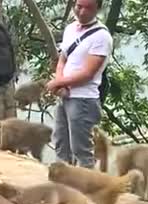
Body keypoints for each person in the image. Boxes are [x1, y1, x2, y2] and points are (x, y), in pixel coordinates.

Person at [47, 0, 112, 168]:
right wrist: (60, 81)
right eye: (79, 7)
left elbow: (88, 74)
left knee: (81, 151)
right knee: (61, 144)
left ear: (98, 8)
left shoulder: (102, 37)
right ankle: (62, 185)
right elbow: (62, 59)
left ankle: (86, 190)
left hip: (83, 100)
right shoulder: (70, 29)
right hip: (65, 96)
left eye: (88, 8)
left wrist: (58, 82)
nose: (82, 12)